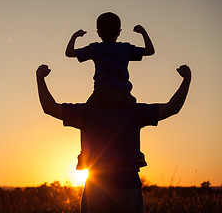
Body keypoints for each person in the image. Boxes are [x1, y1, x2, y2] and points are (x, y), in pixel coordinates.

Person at [36, 64, 191, 213]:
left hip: (96, 187)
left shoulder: (86, 113)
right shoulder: (135, 112)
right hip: (128, 185)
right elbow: (172, 107)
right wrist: (186, 79)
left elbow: (49, 107)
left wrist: (40, 78)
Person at [65, 12, 155, 169]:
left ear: (98, 32)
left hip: (101, 94)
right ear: (119, 31)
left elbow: (69, 53)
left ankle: (84, 155)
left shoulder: (95, 48)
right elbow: (150, 51)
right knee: (133, 118)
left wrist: (75, 36)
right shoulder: (125, 48)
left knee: (85, 118)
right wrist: (143, 32)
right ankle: (137, 154)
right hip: (123, 95)